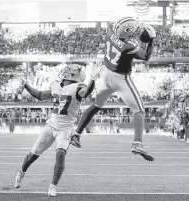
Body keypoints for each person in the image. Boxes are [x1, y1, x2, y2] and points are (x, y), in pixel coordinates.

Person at [71, 17, 156, 161]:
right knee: (139, 110)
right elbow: (146, 56)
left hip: (105, 75)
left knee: (96, 105)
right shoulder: (131, 46)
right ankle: (137, 143)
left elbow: (116, 25)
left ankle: (76, 134)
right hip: (120, 79)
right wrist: (151, 38)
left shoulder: (110, 31)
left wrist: (128, 26)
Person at [14, 63, 101, 196]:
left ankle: (53, 186)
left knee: (60, 153)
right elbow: (40, 95)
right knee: (33, 155)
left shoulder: (78, 87)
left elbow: (86, 92)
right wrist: (25, 84)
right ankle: (21, 173)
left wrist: (93, 79)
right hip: (51, 126)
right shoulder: (57, 87)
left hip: (65, 129)